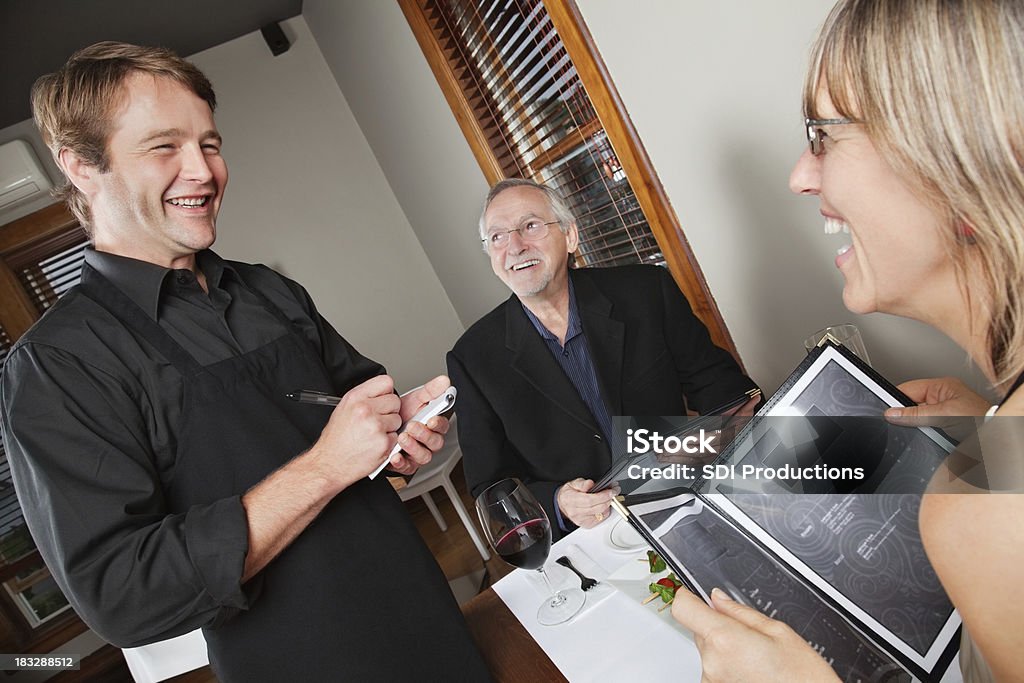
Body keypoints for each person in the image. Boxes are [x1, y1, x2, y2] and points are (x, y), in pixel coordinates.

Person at [0, 42, 490, 682]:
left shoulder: (266, 291)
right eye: (163, 147)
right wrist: (323, 467)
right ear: (80, 165)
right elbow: (125, 594)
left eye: (209, 143)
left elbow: (362, 428)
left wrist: (397, 432)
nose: (203, 171)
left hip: (423, 609)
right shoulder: (59, 364)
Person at [670, 1, 1024, 681]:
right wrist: (987, 426)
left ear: (963, 157)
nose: (800, 175)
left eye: (824, 135)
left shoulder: (973, 523)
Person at [447, 178, 758, 537]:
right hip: (590, 536)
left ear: (570, 236)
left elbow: (724, 390)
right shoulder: (472, 358)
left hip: (685, 495)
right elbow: (490, 485)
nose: (514, 246)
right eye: (498, 236)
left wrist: (709, 443)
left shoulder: (645, 291)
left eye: (530, 226)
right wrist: (558, 502)